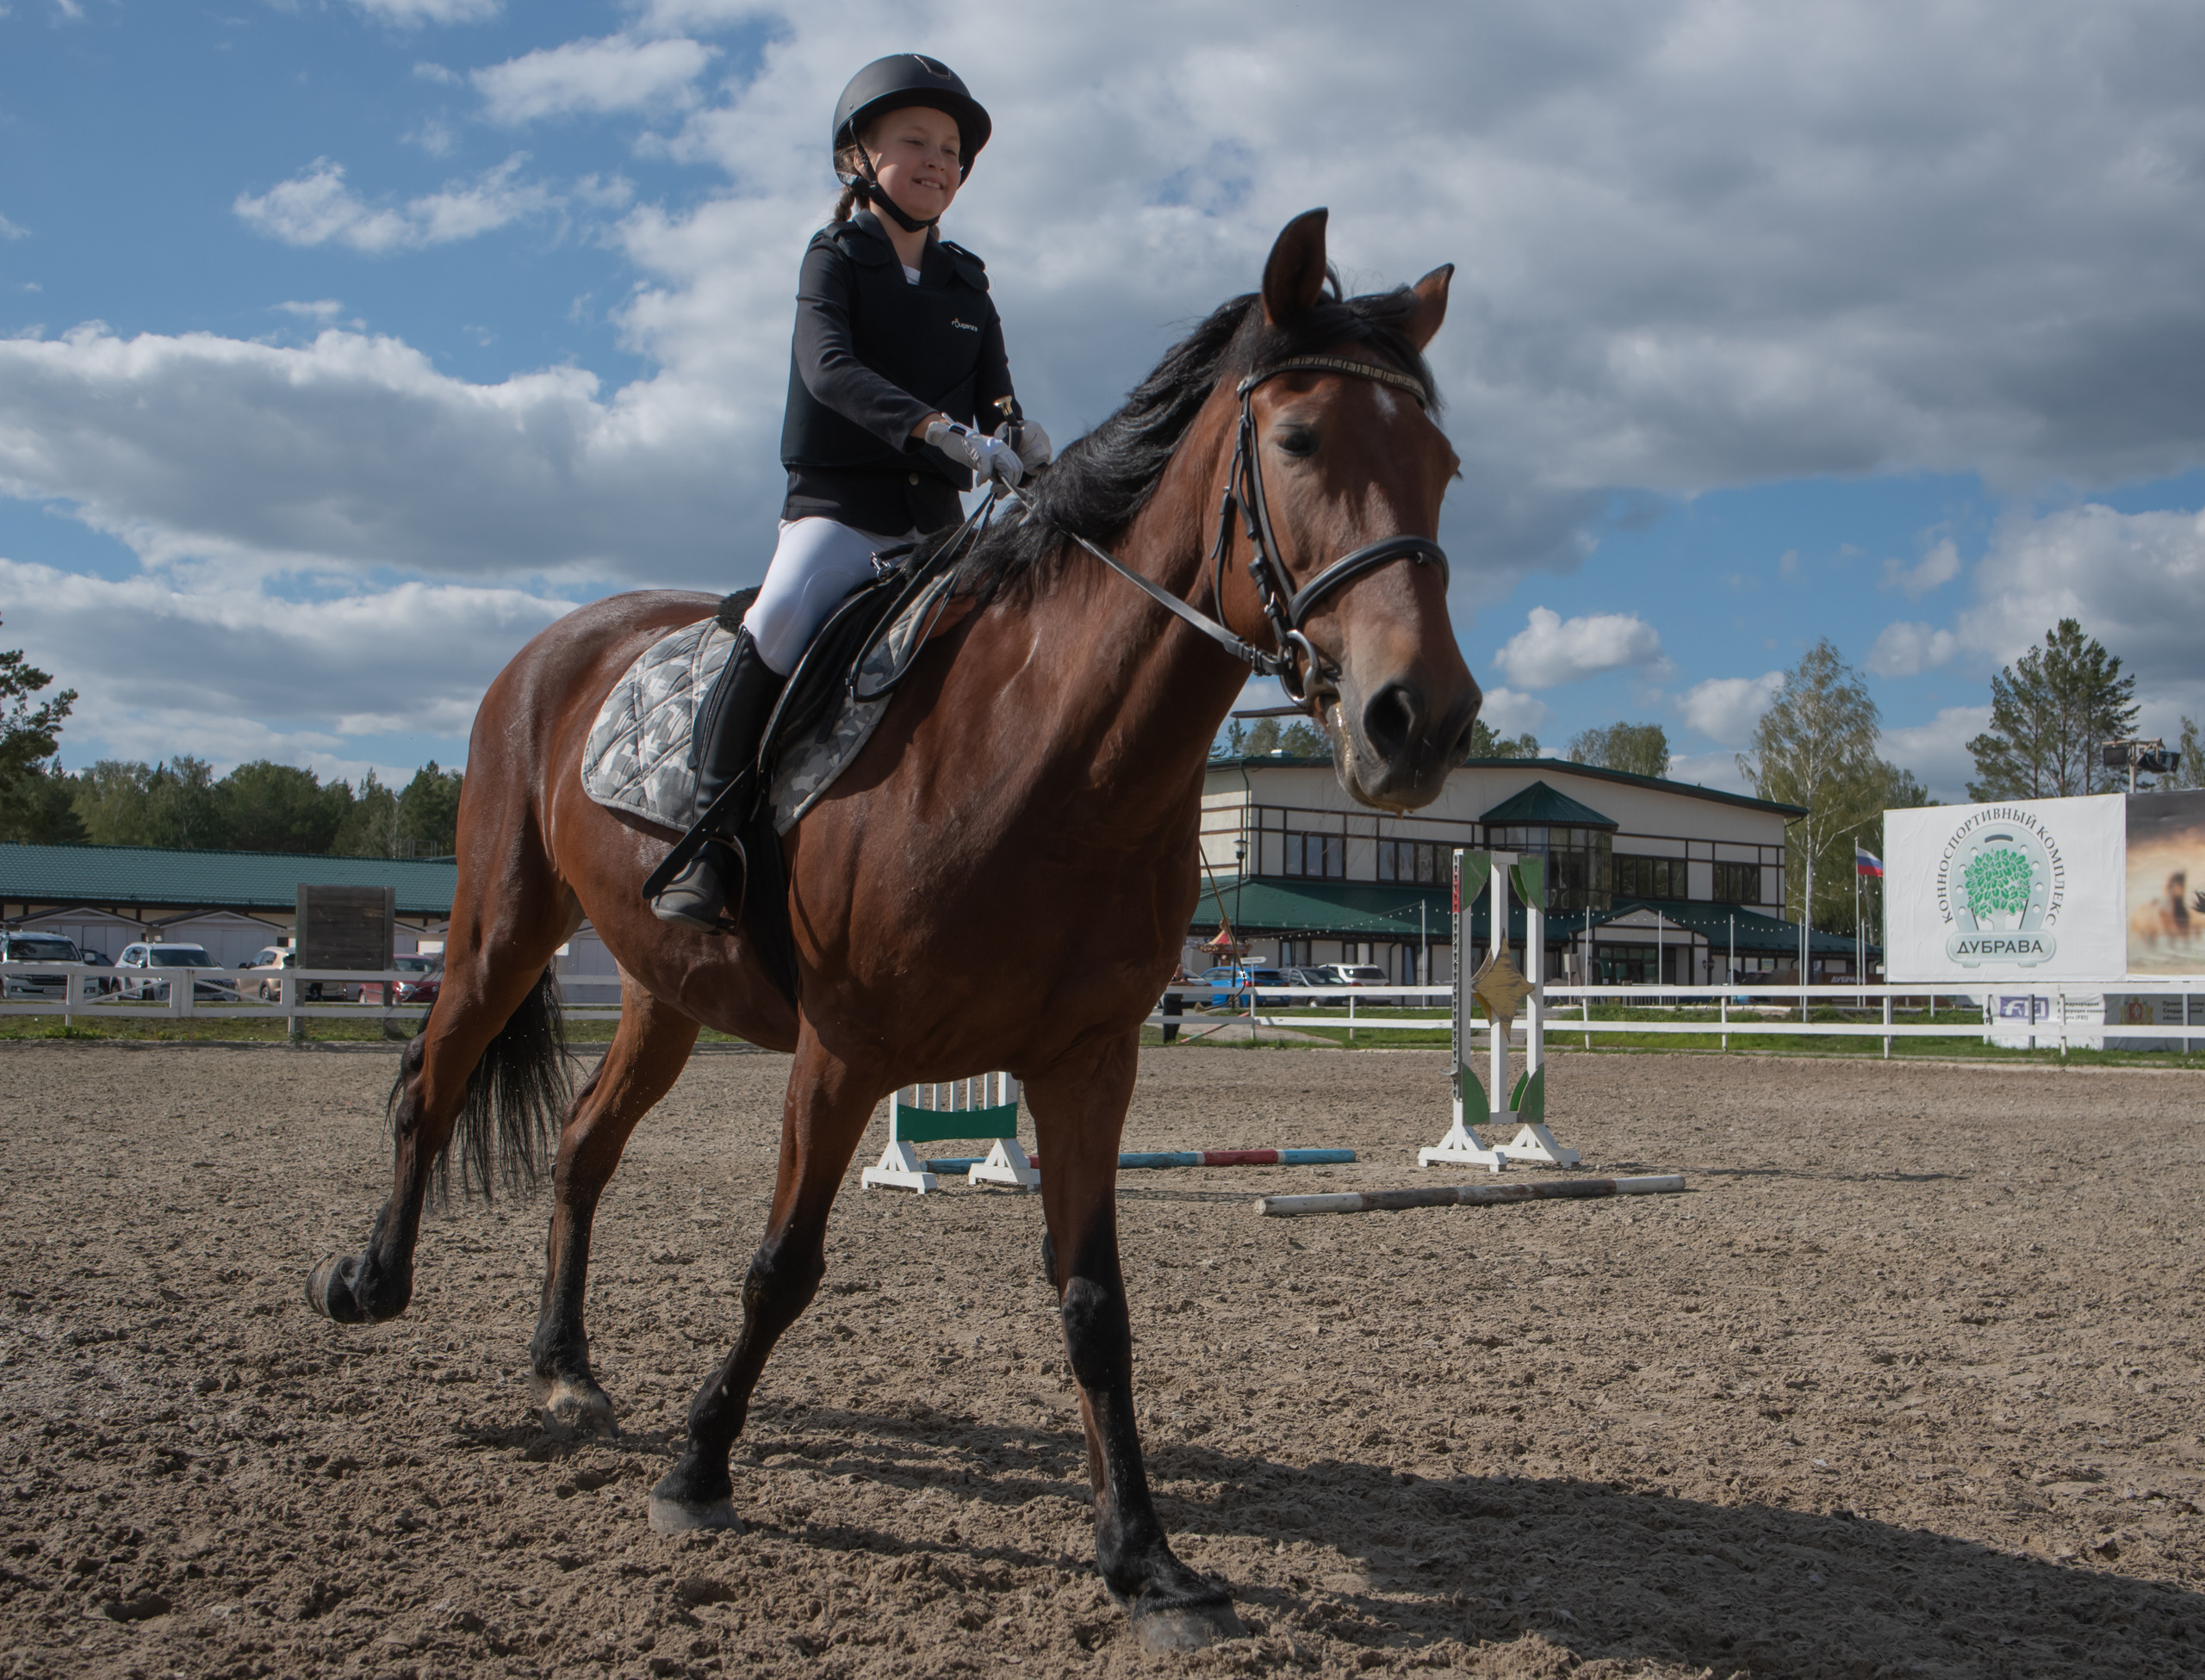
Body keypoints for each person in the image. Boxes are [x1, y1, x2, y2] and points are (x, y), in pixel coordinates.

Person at [652, 53, 1051, 930]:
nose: (938, 160)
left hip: (938, 527)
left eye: (950, 148)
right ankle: (708, 839)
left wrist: (1019, 432)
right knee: (781, 616)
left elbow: (997, 393)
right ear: (859, 160)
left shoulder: (967, 284)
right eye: (915, 141)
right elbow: (827, 370)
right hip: (837, 513)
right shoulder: (833, 257)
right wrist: (931, 428)